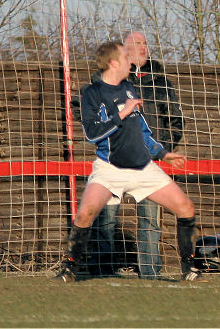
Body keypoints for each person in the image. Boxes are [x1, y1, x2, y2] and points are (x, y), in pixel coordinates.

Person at [55, 41, 200, 282]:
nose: (130, 61)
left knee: (186, 208)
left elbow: (142, 131)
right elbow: (93, 133)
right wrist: (121, 113)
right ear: (113, 63)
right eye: (125, 57)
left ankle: (190, 269)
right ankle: (69, 269)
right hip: (109, 169)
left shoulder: (129, 88)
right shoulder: (92, 93)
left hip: (143, 168)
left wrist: (163, 153)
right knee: (85, 216)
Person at [91, 31, 184, 279]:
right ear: (123, 52)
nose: (143, 48)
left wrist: (161, 148)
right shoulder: (105, 83)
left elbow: (175, 119)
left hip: (147, 162)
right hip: (115, 162)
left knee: (150, 220)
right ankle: (103, 270)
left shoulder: (160, 81)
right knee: (107, 219)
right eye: (136, 44)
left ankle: (150, 272)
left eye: (145, 43)